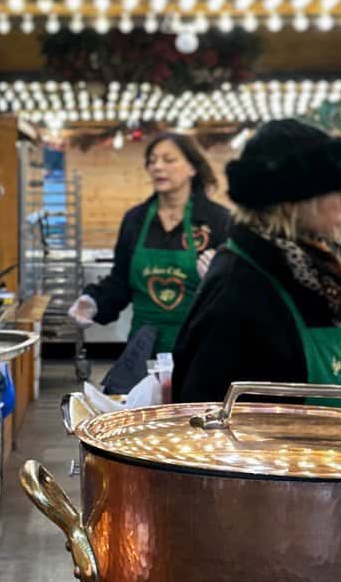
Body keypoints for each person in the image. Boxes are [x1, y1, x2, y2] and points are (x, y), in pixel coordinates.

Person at [172, 119, 341, 405]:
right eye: (338, 191)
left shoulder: (311, 272)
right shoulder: (239, 287)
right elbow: (207, 411)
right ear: (295, 202)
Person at [68, 131, 230, 394]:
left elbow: (237, 293)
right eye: (152, 161)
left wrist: (216, 278)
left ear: (192, 167)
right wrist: (94, 301)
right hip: (144, 351)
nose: (158, 167)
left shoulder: (217, 221)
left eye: (168, 159)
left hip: (199, 348)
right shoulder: (136, 219)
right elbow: (120, 282)